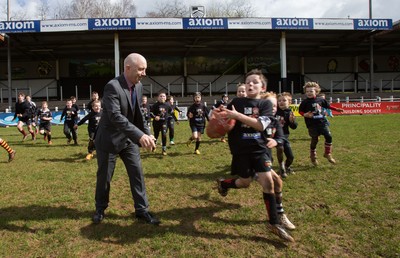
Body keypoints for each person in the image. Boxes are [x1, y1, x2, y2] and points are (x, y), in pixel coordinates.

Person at [215, 69, 294, 242]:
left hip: (259, 150)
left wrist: (237, 115)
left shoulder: (264, 105)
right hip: (240, 151)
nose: (250, 84)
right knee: (245, 183)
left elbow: (260, 126)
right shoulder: (236, 101)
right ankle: (224, 184)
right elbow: (223, 120)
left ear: (262, 87)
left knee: (269, 183)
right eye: (248, 81)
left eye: (255, 82)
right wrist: (218, 118)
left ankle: (274, 223)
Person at [92, 53, 159, 225]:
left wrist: (147, 132)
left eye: (145, 69)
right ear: (128, 68)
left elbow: (138, 113)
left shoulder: (138, 86)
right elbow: (115, 116)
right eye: (141, 69)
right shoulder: (112, 87)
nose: (144, 73)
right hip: (109, 141)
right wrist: (139, 135)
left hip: (128, 140)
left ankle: (142, 210)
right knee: (104, 177)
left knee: (137, 174)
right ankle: (100, 208)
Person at [262, 92, 296, 231]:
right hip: (254, 158)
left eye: (275, 105)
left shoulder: (275, 121)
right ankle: (277, 218)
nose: (274, 107)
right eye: (271, 105)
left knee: (244, 183)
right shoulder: (255, 120)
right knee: (275, 182)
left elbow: (282, 137)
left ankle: (277, 218)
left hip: (266, 158)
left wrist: (276, 140)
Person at [299, 82, 344, 165]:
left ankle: (327, 153)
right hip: (312, 124)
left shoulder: (321, 100)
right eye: (307, 91)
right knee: (315, 139)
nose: (309, 93)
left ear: (316, 92)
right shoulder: (304, 102)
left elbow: (327, 106)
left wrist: (336, 109)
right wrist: (305, 114)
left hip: (322, 122)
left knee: (328, 136)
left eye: (311, 91)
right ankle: (313, 155)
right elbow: (300, 111)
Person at [276, 92, 298, 177]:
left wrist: (292, 122)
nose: (281, 102)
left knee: (291, 157)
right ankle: (281, 167)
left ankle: (286, 167)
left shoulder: (290, 113)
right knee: (279, 148)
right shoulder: (274, 111)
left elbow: (294, 127)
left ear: (289, 102)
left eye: (284, 100)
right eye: (279, 100)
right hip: (272, 136)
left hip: (284, 136)